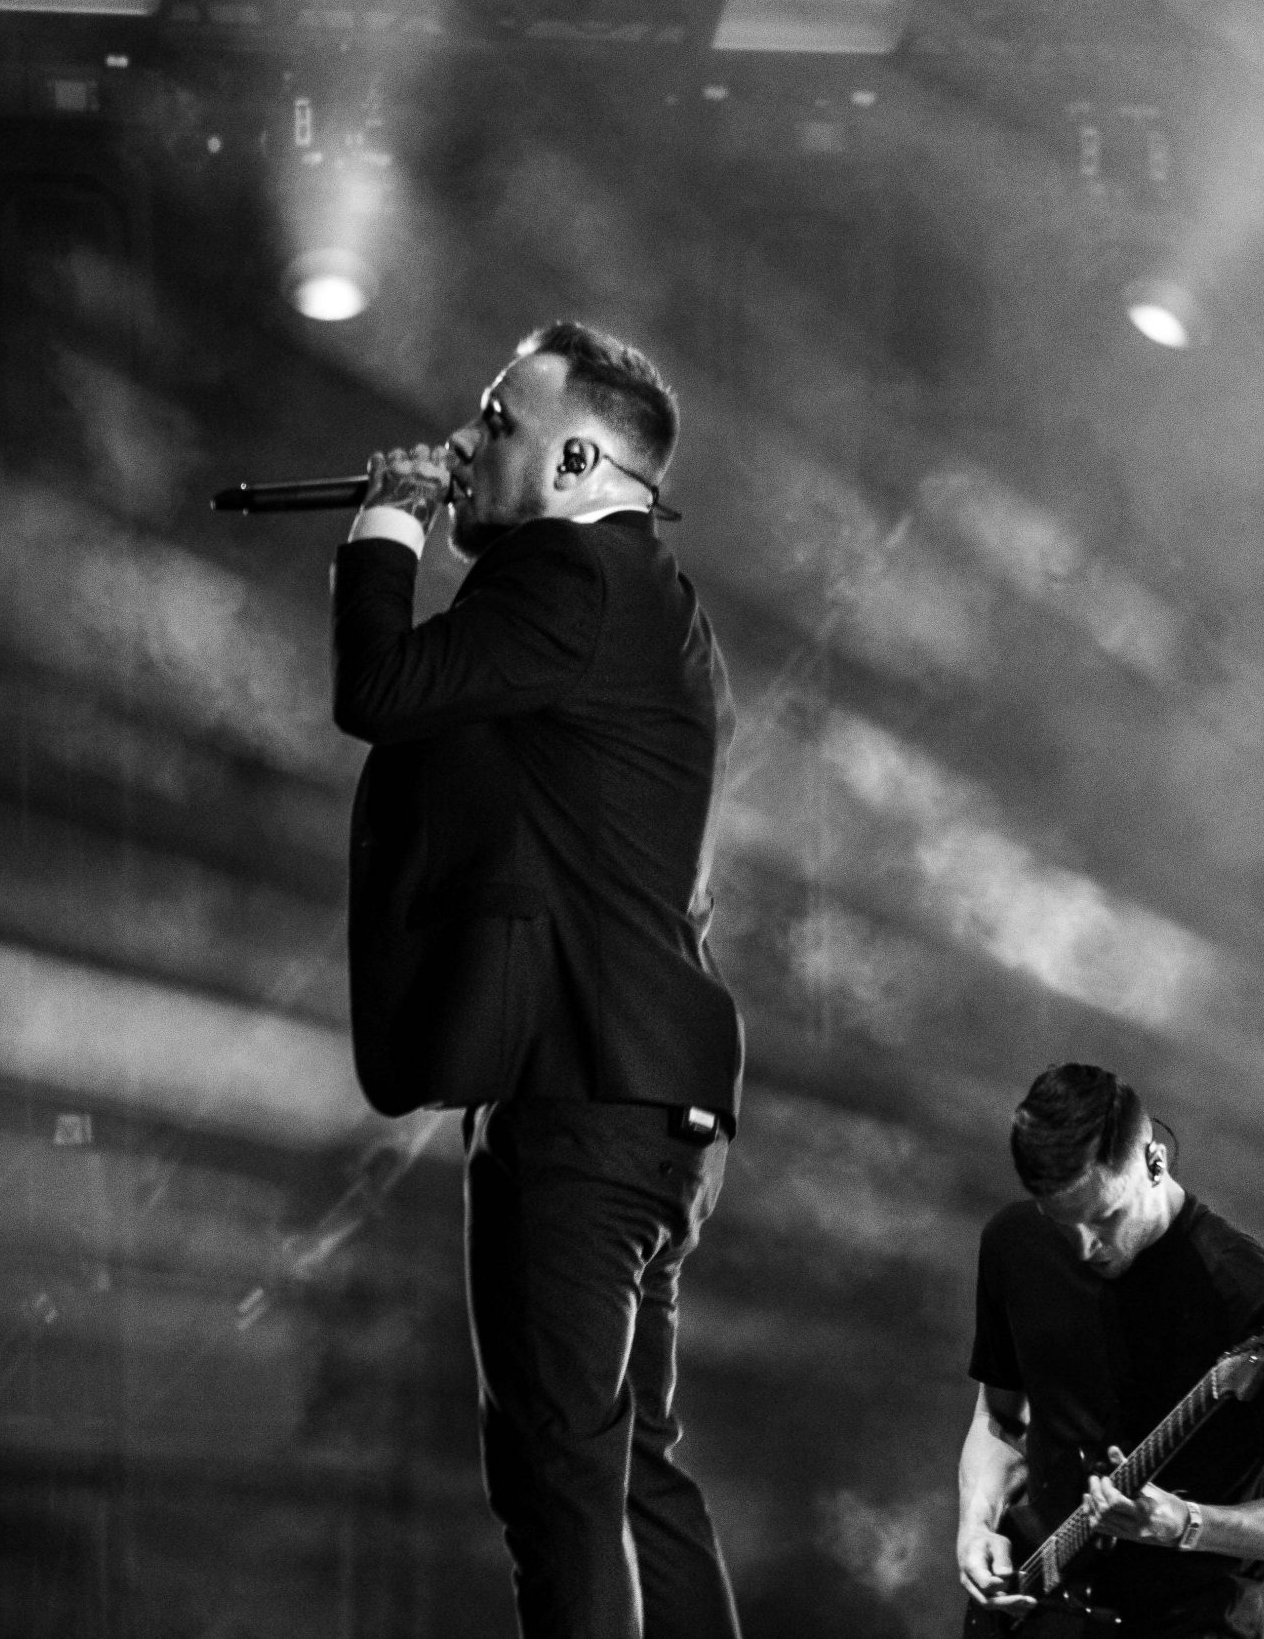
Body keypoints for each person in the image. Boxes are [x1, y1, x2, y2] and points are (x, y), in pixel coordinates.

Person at [330, 321, 745, 1639]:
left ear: (576, 462)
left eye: (498, 420)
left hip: (580, 1094)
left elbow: (384, 686)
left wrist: (386, 526)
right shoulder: (655, 602)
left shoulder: (568, 573)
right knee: (632, 1477)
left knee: (560, 1484)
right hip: (654, 1095)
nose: (464, 443)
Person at [956, 1063, 1264, 1639]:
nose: (1085, 1248)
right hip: (1034, 1614)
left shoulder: (1257, 1301)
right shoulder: (1011, 1244)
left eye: (1106, 1217)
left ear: (1155, 1163)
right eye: (1061, 1222)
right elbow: (1000, 1421)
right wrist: (976, 1525)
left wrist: (1186, 1523)